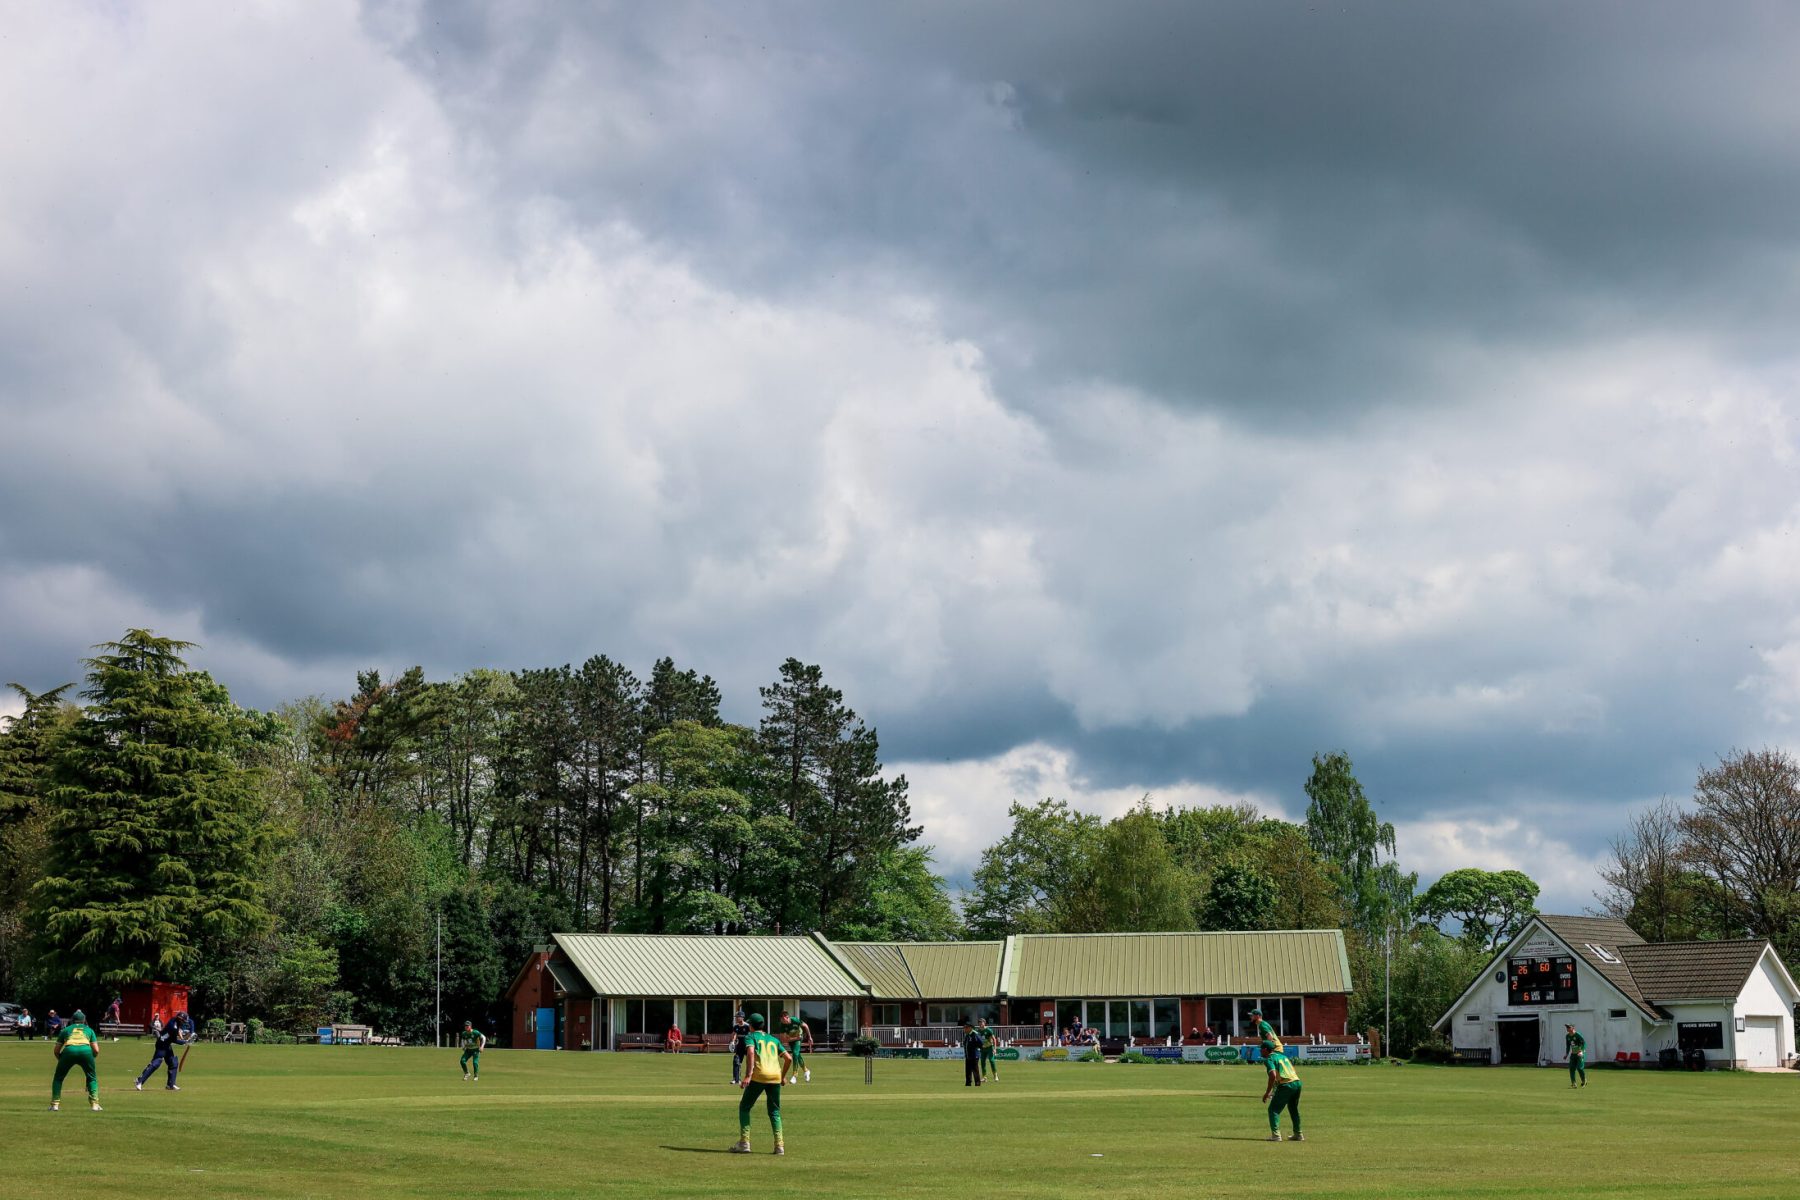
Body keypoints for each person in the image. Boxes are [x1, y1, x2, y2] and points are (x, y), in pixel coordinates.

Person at [731, 1013, 790, 1156]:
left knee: (745, 1107)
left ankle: (744, 1142)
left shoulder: (750, 1037)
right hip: (775, 1077)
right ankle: (779, 1145)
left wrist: (748, 1075)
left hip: (759, 1076)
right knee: (774, 1111)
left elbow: (750, 1053)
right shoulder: (773, 1039)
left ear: (750, 1025)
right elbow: (788, 1058)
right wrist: (782, 1077)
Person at [50, 1008, 102, 1112]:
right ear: (84, 1020)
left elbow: (56, 1051)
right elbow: (96, 1050)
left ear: (72, 1020)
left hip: (69, 1051)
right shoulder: (89, 1030)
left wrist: (61, 1060)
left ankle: (55, 1105)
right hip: (86, 1051)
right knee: (92, 1078)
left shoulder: (66, 1030)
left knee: (58, 1078)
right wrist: (91, 1058)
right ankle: (95, 1105)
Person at [1260, 1039, 1303, 1142]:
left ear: (1266, 1050)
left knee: (1273, 1110)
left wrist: (1267, 1093)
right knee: (1293, 1109)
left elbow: (1273, 1075)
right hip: (1297, 1082)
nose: (1260, 1051)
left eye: (1261, 1049)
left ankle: (1276, 1135)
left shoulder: (1269, 1059)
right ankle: (1298, 1134)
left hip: (1286, 1085)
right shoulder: (1283, 1056)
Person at [134, 1012, 187, 1091]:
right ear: (180, 1019)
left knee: (173, 1062)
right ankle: (139, 1081)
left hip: (167, 1044)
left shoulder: (175, 1021)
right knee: (156, 1062)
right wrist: (185, 1042)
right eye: (183, 1021)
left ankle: (171, 1085)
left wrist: (183, 1039)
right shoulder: (173, 1026)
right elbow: (174, 1040)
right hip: (161, 1045)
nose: (184, 1022)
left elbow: (178, 1031)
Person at [776, 1009, 811, 1084]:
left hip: (799, 1038)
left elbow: (806, 1026)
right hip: (792, 1040)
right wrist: (793, 1039)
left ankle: (795, 1075)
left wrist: (809, 1037)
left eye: (782, 1018)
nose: (781, 1020)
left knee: (795, 1054)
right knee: (797, 1055)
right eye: (780, 1019)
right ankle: (806, 1071)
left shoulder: (795, 1020)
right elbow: (783, 1039)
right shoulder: (782, 1025)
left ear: (787, 1017)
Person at [730, 1006, 752, 1086]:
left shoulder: (747, 1026)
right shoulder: (736, 1026)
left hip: (748, 1046)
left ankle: (752, 1078)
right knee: (736, 1061)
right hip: (739, 1046)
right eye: (736, 1017)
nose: (736, 1018)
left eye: (737, 1017)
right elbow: (735, 1034)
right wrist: (732, 1041)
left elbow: (751, 1035)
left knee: (751, 1062)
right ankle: (736, 1079)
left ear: (742, 1017)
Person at [961, 1019, 983, 1087]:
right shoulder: (967, 1035)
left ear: (970, 1028)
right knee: (968, 1070)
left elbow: (981, 1043)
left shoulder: (975, 1034)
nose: (964, 1029)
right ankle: (968, 1083)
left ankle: (977, 1083)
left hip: (974, 1055)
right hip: (968, 1055)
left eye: (965, 1028)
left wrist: (977, 1049)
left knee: (975, 1070)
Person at [977, 1017, 999, 1082]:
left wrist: (995, 1049)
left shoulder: (989, 1030)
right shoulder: (978, 1031)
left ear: (984, 1023)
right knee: (982, 1062)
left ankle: (995, 1076)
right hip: (983, 1049)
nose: (980, 1023)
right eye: (979, 1022)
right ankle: (984, 1077)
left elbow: (994, 1039)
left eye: (982, 1022)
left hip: (989, 1047)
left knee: (991, 1061)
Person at [1565, 1024, 1586, 1089]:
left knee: (1579, 1068)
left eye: (1569, 1027)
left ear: (1573, 1028)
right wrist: (1566, 1054)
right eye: (1566, 1027)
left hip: (1580, 1054)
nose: (1567, 1028)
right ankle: (1573, 1083)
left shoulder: (1577, 1035)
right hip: (1573, 1054)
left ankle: (1584, 1081)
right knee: (1571, 1068)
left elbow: (1584, 1043)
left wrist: (1581, 1051)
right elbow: (1568, 1046)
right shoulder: (1567, 1036)